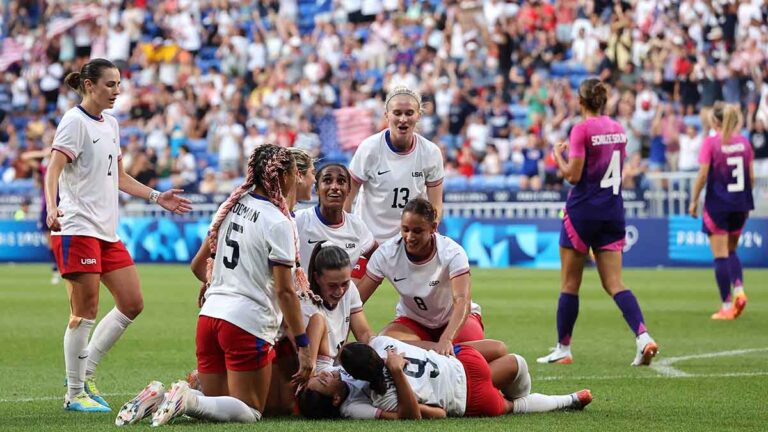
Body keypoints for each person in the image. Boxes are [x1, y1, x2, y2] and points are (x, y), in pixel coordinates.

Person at [116, 144, 314, 426]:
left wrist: (218, 282)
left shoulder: (230, 206)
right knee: (251, 411)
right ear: (282, 176)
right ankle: (186, 398)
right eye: (295, 173)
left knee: (216, 409)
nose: (298, 178)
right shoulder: (277, 221)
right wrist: (304, 345)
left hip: (209, 318)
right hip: (246, 323)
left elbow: (198, 265)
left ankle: (156, 399)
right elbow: (284, 291)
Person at [44, 58, 192, 413]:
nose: (117, 90)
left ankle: (84, 373)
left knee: (132, 302)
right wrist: (52, 207)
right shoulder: (73, 122)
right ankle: (75, 392)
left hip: (106, 233)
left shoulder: (110, 123)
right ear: (89, 85)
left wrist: (158, 197)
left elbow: (120, 177)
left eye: (119, 83)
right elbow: (52, 169)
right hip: (77, 228)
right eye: (110, 84)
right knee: (84, 312)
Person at [538, 78, 658, 367]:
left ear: (580, 102)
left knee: (569, 284)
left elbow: (573, 175)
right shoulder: (618, 129)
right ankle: (643, 337)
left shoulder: (581, 129)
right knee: (615, 282)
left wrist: (557, 155)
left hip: (583, 212)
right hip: (613, 209)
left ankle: (563, 349)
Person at [298, 336, 592, 420]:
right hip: (461, 364)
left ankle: (565, 400)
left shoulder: (376, 394)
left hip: (465, 389)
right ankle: (566, 398)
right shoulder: (380, 344)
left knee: (513, 401)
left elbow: (434, 414)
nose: (325, 373)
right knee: (515, 362)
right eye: (323, 380)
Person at [356, 198, 484, 356]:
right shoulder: (386, 254)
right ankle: (437, 352)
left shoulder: (452, 252)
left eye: (417, 231)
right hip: (414, 321)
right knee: (385, 342)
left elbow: (462, 300)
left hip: (453, 320)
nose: (409, 237)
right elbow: (356, 300)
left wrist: (447, 338)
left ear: (433, 228)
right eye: (405, 229)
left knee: (470, 356)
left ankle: (433, 352)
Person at [264, 243, 375, 416]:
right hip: (298, 372)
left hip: (330, 371)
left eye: (344, 283)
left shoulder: (350, 290)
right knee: (271, 410)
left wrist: (378, 357)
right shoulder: (304, 306)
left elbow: (365, 333)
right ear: (316, 278)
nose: (340, 291)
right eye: (332, 285)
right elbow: (299, 357)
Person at [344, 85, 445, 243]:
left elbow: (436, 204)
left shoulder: (431, 153)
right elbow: (347, 196)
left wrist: (429, 232)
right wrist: (348, 234)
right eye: (397, 113)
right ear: (387, 115)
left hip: (409, 243)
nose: (403, 119)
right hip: (370, 242)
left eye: (409, 113)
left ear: (418, 115)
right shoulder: (369, 148)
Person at [689, 103, 754, 320]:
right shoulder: (744, 143)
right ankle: (739, 290)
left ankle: (727, 306)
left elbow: (703, 175)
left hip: (719, 204)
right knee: (732, 250)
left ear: (715, 121)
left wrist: (694, 200)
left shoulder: (712, 143)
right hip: (741, 203)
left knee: (720, 255)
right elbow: (751, 177)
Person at [295, 163, 377, 281]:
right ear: (317, 189)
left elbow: (380, 260)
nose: (334, 186)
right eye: (327, 180)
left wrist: (358, 295)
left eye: (341, 181)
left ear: (348, 190)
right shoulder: (299, 221)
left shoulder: (357, 226)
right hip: (304, 299)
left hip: (341, 299)